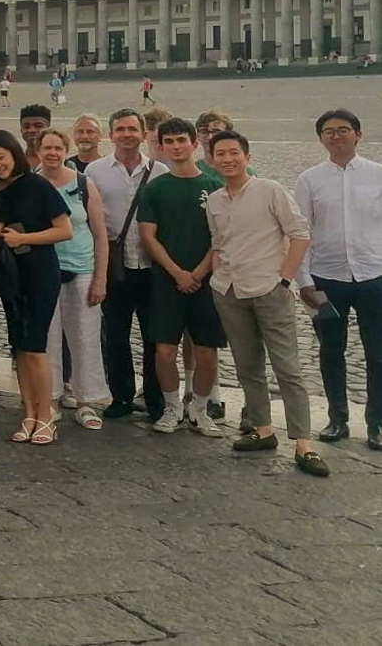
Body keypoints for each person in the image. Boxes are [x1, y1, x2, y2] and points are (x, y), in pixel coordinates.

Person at [205, 131, 325, 476]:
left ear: (247, 156)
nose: (228, 159)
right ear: (212, 159)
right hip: (229, 289)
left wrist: (285, 278)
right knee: (247, 365)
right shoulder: (214, 200)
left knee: (287, 367)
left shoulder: (269, 189)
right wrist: (217, 277)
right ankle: (263, 429)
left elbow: (299, 233)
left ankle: (303, 443)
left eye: (234, 153)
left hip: (268, 287)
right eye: (221, 154)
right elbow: (218, 243)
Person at [294, 109, 382, 449]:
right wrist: (304, 280)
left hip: (374, 275)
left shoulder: (377, 174)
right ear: (321, 139)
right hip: (326, 277)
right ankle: (337, 418)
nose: (336, 136)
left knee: (378, 354)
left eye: (343, 130)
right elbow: (301, 231)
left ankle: (376, 422)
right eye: (329, 131)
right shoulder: (310, 180)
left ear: (358, 135)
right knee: (331, 350)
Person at [138, 117, 226, 437]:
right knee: (164, 349)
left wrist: (199, 272)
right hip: (166, 280)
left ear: (194, 143)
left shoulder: (214, 187)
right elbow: (148, 236)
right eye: (169, 142)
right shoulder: (156, 188)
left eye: (181, 140)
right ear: (161, 147)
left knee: (206, 349)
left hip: (207, 280)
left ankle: (200, 408)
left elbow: (222, 237)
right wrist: (177, 272)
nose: (176, 147)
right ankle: (173, 406)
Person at [0, 128, 72, 444]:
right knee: (19, 345)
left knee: (36, 344)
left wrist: (24, 239)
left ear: (14, 154)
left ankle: (46, 415)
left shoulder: (37, 185)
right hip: (11, 274)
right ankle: (28, 413)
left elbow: (64, 230)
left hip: (39, 271)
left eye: (1, 157)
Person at [85, 110, 167, 421]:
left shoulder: (159, 171)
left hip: (150, 265)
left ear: (145, 134)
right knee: (116, 335)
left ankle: (154, 398)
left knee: (153, 336)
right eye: (120, 129)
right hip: (114, 266)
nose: (127, 134)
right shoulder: (95, 171)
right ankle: (120, 396)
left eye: (133, 128)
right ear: (111, 135)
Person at [36, 128, 109, 430]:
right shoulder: (31, 184)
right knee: (47, 338)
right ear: (38, 151)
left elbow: (100, 233)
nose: (52, 153)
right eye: (46, 148)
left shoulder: (83, 183)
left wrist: (101, 277)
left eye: (57, 147)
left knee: (85, 337)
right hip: (43, 270)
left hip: (81, 268)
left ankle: (87, 400)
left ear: (65, 150)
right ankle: (49, 399)